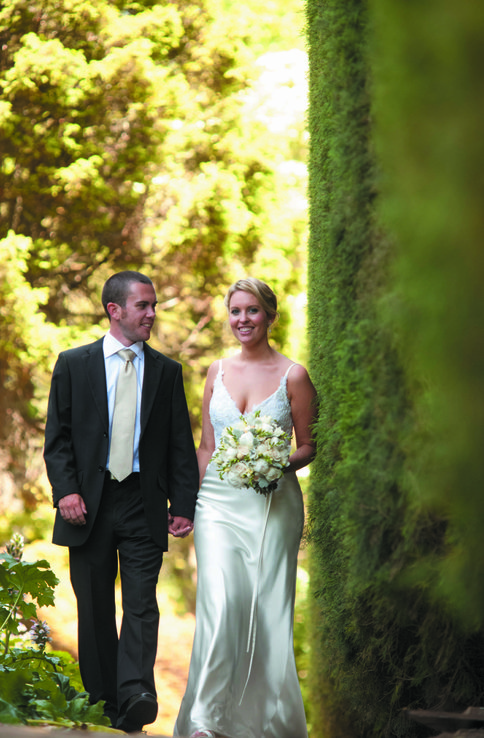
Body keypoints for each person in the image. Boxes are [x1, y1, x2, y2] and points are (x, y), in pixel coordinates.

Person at [43, 271, 199, 733]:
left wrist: (184, 504)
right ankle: (103, 701)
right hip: (86, 505)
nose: (152, 313)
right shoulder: (73, 364)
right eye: (143, 305)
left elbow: (178, 445)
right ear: (115, 311)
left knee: (141, 603)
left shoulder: (168, 372)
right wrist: (66, 491)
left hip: (142, 503)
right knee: (92, 606)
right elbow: (58, 438)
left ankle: (135, 693)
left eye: (153, 305)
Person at [174, 277, 317, 738]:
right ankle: (205, 722)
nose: (242, 320)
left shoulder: (294, 375)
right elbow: (205, 446)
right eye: (235, 311)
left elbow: (309, 446)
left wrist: (272, 463)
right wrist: (188, 505)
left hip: (273, 505)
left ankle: (267, 723)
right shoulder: (215, 371)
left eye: (252, 311)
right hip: (216, 503)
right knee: (220, 603)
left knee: (267, 612)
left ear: (270, 316)